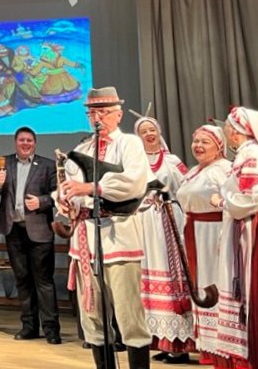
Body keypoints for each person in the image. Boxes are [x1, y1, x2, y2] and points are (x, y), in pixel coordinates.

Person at [57, 87, 151, 369]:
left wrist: (91, 187)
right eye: (92, 113)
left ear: (118, 114)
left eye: (103, 112)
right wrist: (65, 200)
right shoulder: (82, 149)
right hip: (86, 240)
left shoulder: (129, 144)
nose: (96, 118)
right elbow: (71, 188)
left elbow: (134, 182)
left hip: (119, 237)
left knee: (128, 312)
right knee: (93, 316)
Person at [0, 126, 61, 343]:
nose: (25, 143)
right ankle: (29, 327)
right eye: (22, 140)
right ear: (15, 142)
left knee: (43, 281)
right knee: (22, 280)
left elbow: (58, 194)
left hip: (39, 232)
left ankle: (51, 330)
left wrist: (42, 201)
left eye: (29, 140)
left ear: (34, 143)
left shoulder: (47, 165)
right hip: (14, 231)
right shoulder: (3, 163)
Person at [214, 107, 258, 369]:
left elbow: (249, 199)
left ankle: (252, 354)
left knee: (248, 287)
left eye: (228, 127)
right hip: (240, 226)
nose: (226, 131)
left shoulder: (252, 155)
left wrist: (222, 201)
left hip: (250, 229)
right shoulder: (245, 154)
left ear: (236, 131)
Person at [133, 116, 193, 364]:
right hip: (144, 224)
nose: (149, 134)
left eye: (152, 130)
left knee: (171, 277)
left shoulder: (172, 161)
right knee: (147, 279)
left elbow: (187, 188)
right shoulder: (135, 163)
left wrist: (168, 197)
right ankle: (160, 339)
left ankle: (179, 345)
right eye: (144, 131)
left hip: (167, 221)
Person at [175, 124, 232, 365]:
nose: (198, 146)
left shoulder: (224, 169)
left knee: (215, 284)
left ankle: (223, 347)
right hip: (195, 233)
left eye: (205, 142)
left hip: (214, 233)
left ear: (219, 147)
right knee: (201, 287)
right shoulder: (194, 171)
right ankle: (208, 347)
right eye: (196, 141)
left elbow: (231, 202)